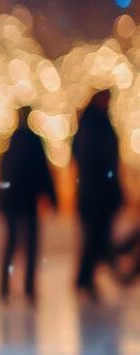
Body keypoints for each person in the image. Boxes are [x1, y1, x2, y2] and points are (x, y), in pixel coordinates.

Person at [0, 107, 57, 304]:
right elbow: (42, 172)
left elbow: (4, 176)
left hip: (14, 202)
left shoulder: (11, 142)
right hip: (25, 202)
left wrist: (2, 199)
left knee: (13, 244)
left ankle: (5, 287)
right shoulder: (32, 142)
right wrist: (51, 197)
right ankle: (27, 288)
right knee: (29, 245)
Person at [71, 89, 123, 302]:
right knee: (94, 239)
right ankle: (85, 279)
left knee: (96, 239)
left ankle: (87, 278)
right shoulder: (94, 124)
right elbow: (99, 159)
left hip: (96, 193)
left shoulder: (93, 122)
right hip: (96, 195)